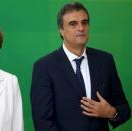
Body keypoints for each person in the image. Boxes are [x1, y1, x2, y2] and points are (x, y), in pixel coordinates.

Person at [30, 2, 131, 131]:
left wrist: (111, 112)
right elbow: (43, 122)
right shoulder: (44, 67)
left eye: (85, 22)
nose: (81, 28)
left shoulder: (105, 60)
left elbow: (124, 109)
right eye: (73, 24)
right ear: (61, 30)